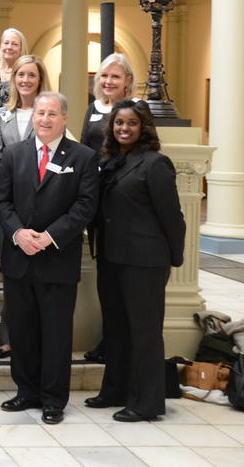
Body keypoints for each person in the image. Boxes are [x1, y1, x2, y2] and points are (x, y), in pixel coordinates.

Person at [0, 92, 99, 425]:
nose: (45, 119)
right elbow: (1, 202)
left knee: (55, 334)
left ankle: (54, 399)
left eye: (53, 114)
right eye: (40, 113)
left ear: (65, 119)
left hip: (57, 260)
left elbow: (84, 206)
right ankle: (26, 392)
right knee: (22, 331)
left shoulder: (82, 157)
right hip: (19, 258)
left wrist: (50, 237)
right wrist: (18, 233)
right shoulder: (14, 154)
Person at [86, 100, 185, 422]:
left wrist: (173, 258)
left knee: (144, 333)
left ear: (143, 127)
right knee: (115, 329)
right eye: (118, 123)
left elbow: (173, 216)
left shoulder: (156, 163)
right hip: (112, 258)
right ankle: (115, 390)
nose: (124, 129)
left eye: (131, 123)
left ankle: (147, 403)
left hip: (145, 262)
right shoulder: (112, 161)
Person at [0, 55, 49, 354]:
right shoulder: (2, 115)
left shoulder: (48, 113)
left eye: (31, 75)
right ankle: (9, 337)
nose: (25, 80)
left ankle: (34, 335)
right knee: (11, 273)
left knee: (38, 273)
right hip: (9, 206)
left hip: (43, 202)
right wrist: (5, 192)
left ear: (40, 79)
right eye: (21, 75)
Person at [81, 53, 137, 155]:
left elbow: (145, 145)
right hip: (94, 169)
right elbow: (84, 145)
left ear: (128, 80)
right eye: (104, 76)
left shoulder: (137, 107)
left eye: (115, 77)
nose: (108, 81)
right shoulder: (94, 107)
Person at [0, 28, 29, 109]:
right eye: (6, 43)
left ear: (21, 49)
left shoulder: (25, 75)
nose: (9, 47)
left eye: (14, 44)